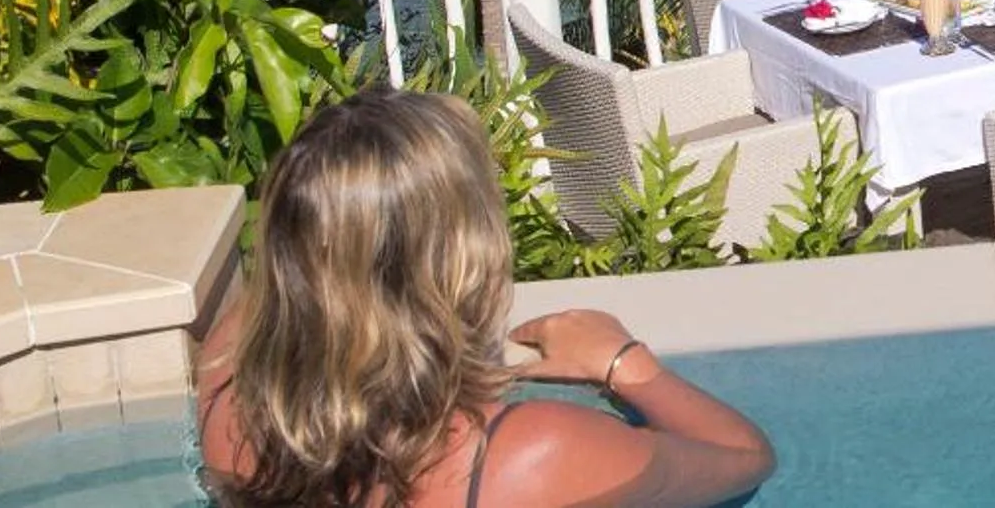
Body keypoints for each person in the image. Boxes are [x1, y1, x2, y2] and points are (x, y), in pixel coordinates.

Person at [196, 87, 777, 507]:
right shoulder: (528, 455)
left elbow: (298, 298)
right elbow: (744, 458)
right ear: (464, 257)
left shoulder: (226, 392)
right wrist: (624, 361)